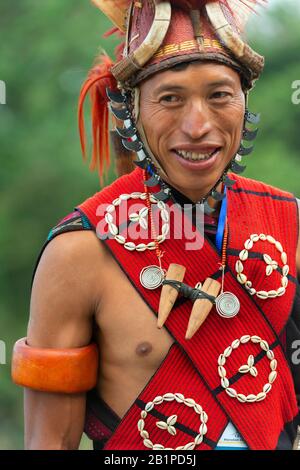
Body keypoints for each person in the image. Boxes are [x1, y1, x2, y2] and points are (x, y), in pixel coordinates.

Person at [12, 0, 300, 450]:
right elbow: (49, 442)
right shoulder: (79, 253)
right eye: (170, 98)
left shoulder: (290, 226)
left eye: (220, 95)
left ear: (245, 104)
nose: (198, 125)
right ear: (131, 111)